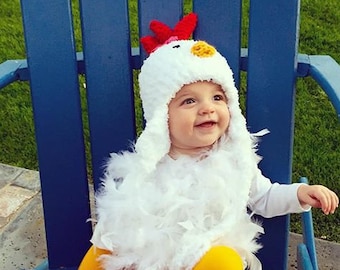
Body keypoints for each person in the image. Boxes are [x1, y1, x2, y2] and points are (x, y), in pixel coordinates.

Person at [79, 13, 338, 270]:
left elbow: (265, 196)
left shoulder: (236, 161)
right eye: (189, 101)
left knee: (224, 261)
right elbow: (126, 213)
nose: (207, 108)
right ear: (162, 117)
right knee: (103, 246)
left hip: (203, 257)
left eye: (217, 97)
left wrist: (300, 194)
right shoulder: (148, 164)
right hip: (152, 260)